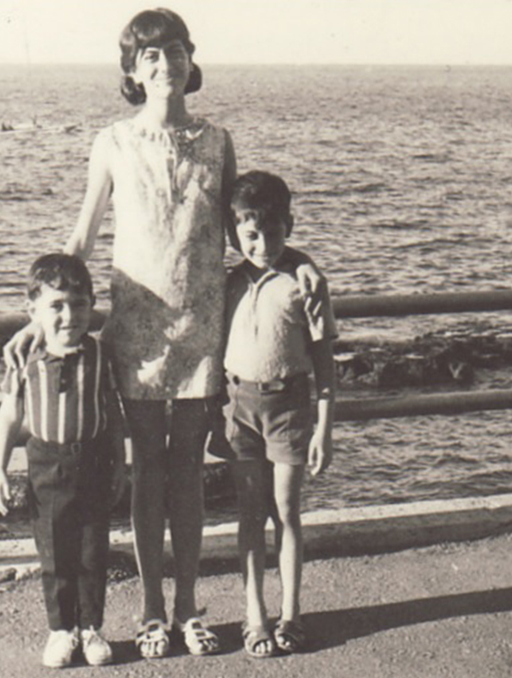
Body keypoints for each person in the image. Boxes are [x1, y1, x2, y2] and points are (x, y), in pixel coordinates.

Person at [3, 7, 325, 660]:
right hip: (138, 338)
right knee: (148, 474)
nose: (164, 64)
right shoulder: (113, 143)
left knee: (187, 476)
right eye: (150, 56)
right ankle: (152, 612)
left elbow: (248, 231)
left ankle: (188, 609)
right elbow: (83, 236)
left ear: (189, 60)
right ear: (132, 70)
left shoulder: (217, 140)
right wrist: (35, 320)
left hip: (205, 333)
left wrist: (304, 262)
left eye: (174, 51)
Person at [0, 253, 126, 669]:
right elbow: (10, 413)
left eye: (80, 304)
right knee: (54, 552)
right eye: (56, 306)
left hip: (95, 461)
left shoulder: (100, 354)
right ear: (33, 311)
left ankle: (91, 629)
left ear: (92, 306)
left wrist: (121, 463)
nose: (70, 316)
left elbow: (113, 411)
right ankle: (61, 629)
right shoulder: (25, 358)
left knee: (91, 551)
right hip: (45, 465)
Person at [221, 171, 337, 658]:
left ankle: (291, 614)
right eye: (250, 235)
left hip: (289, 407)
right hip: (237, 407)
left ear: (289, 225)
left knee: (286, 512)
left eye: (273, 232)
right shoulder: (227, 283)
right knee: (250, 515)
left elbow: (325, 366)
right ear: (234, 235)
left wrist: (324, 430)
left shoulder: (304, 283)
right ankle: (255, 614)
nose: (263, 244)